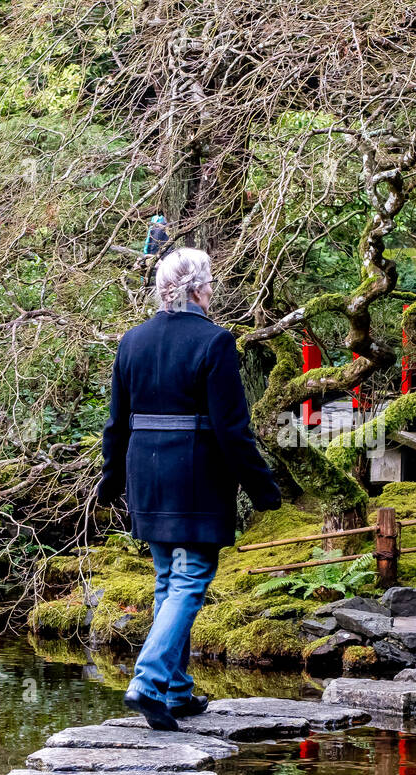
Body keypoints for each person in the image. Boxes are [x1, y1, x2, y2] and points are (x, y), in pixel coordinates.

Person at [97, 247, 282, 730]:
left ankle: (176, 691)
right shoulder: (215, 342)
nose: (213, 290)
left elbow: (116, 424)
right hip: (194, 478)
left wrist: (110, 479)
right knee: (189, 578)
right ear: (197, 289)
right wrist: (263, 488)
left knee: (169, 578)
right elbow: (232, 429)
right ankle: (149, 680)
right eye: (211, 282)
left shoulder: (131, 341)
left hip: (146, 476)